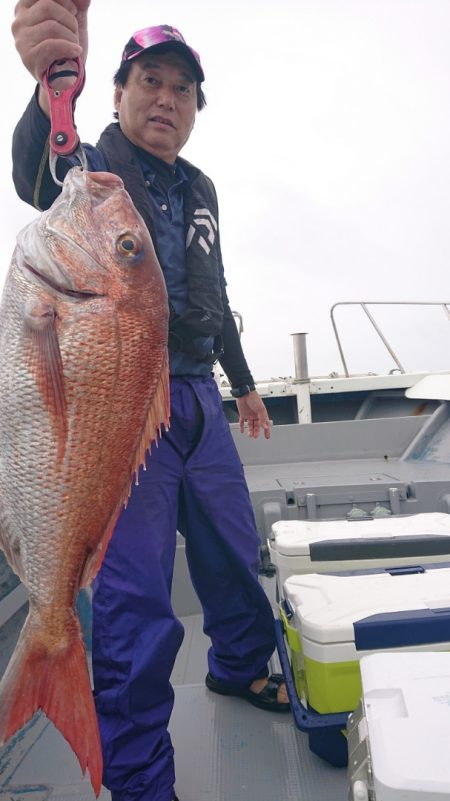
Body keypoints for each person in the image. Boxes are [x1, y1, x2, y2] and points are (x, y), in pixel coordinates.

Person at [11, 3, 290, 801]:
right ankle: (137, 778)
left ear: (197, 109)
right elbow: (37, 171)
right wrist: (47, 87)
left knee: (236, 553)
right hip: (125, 401)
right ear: (118, 92)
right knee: (134, 598)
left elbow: (217, 290)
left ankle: (238, 666)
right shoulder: (91, 167)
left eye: (182, 91)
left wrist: (244, 383)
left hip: (199, 394)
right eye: (150, 83)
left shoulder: (200, 187)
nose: (166, 100)